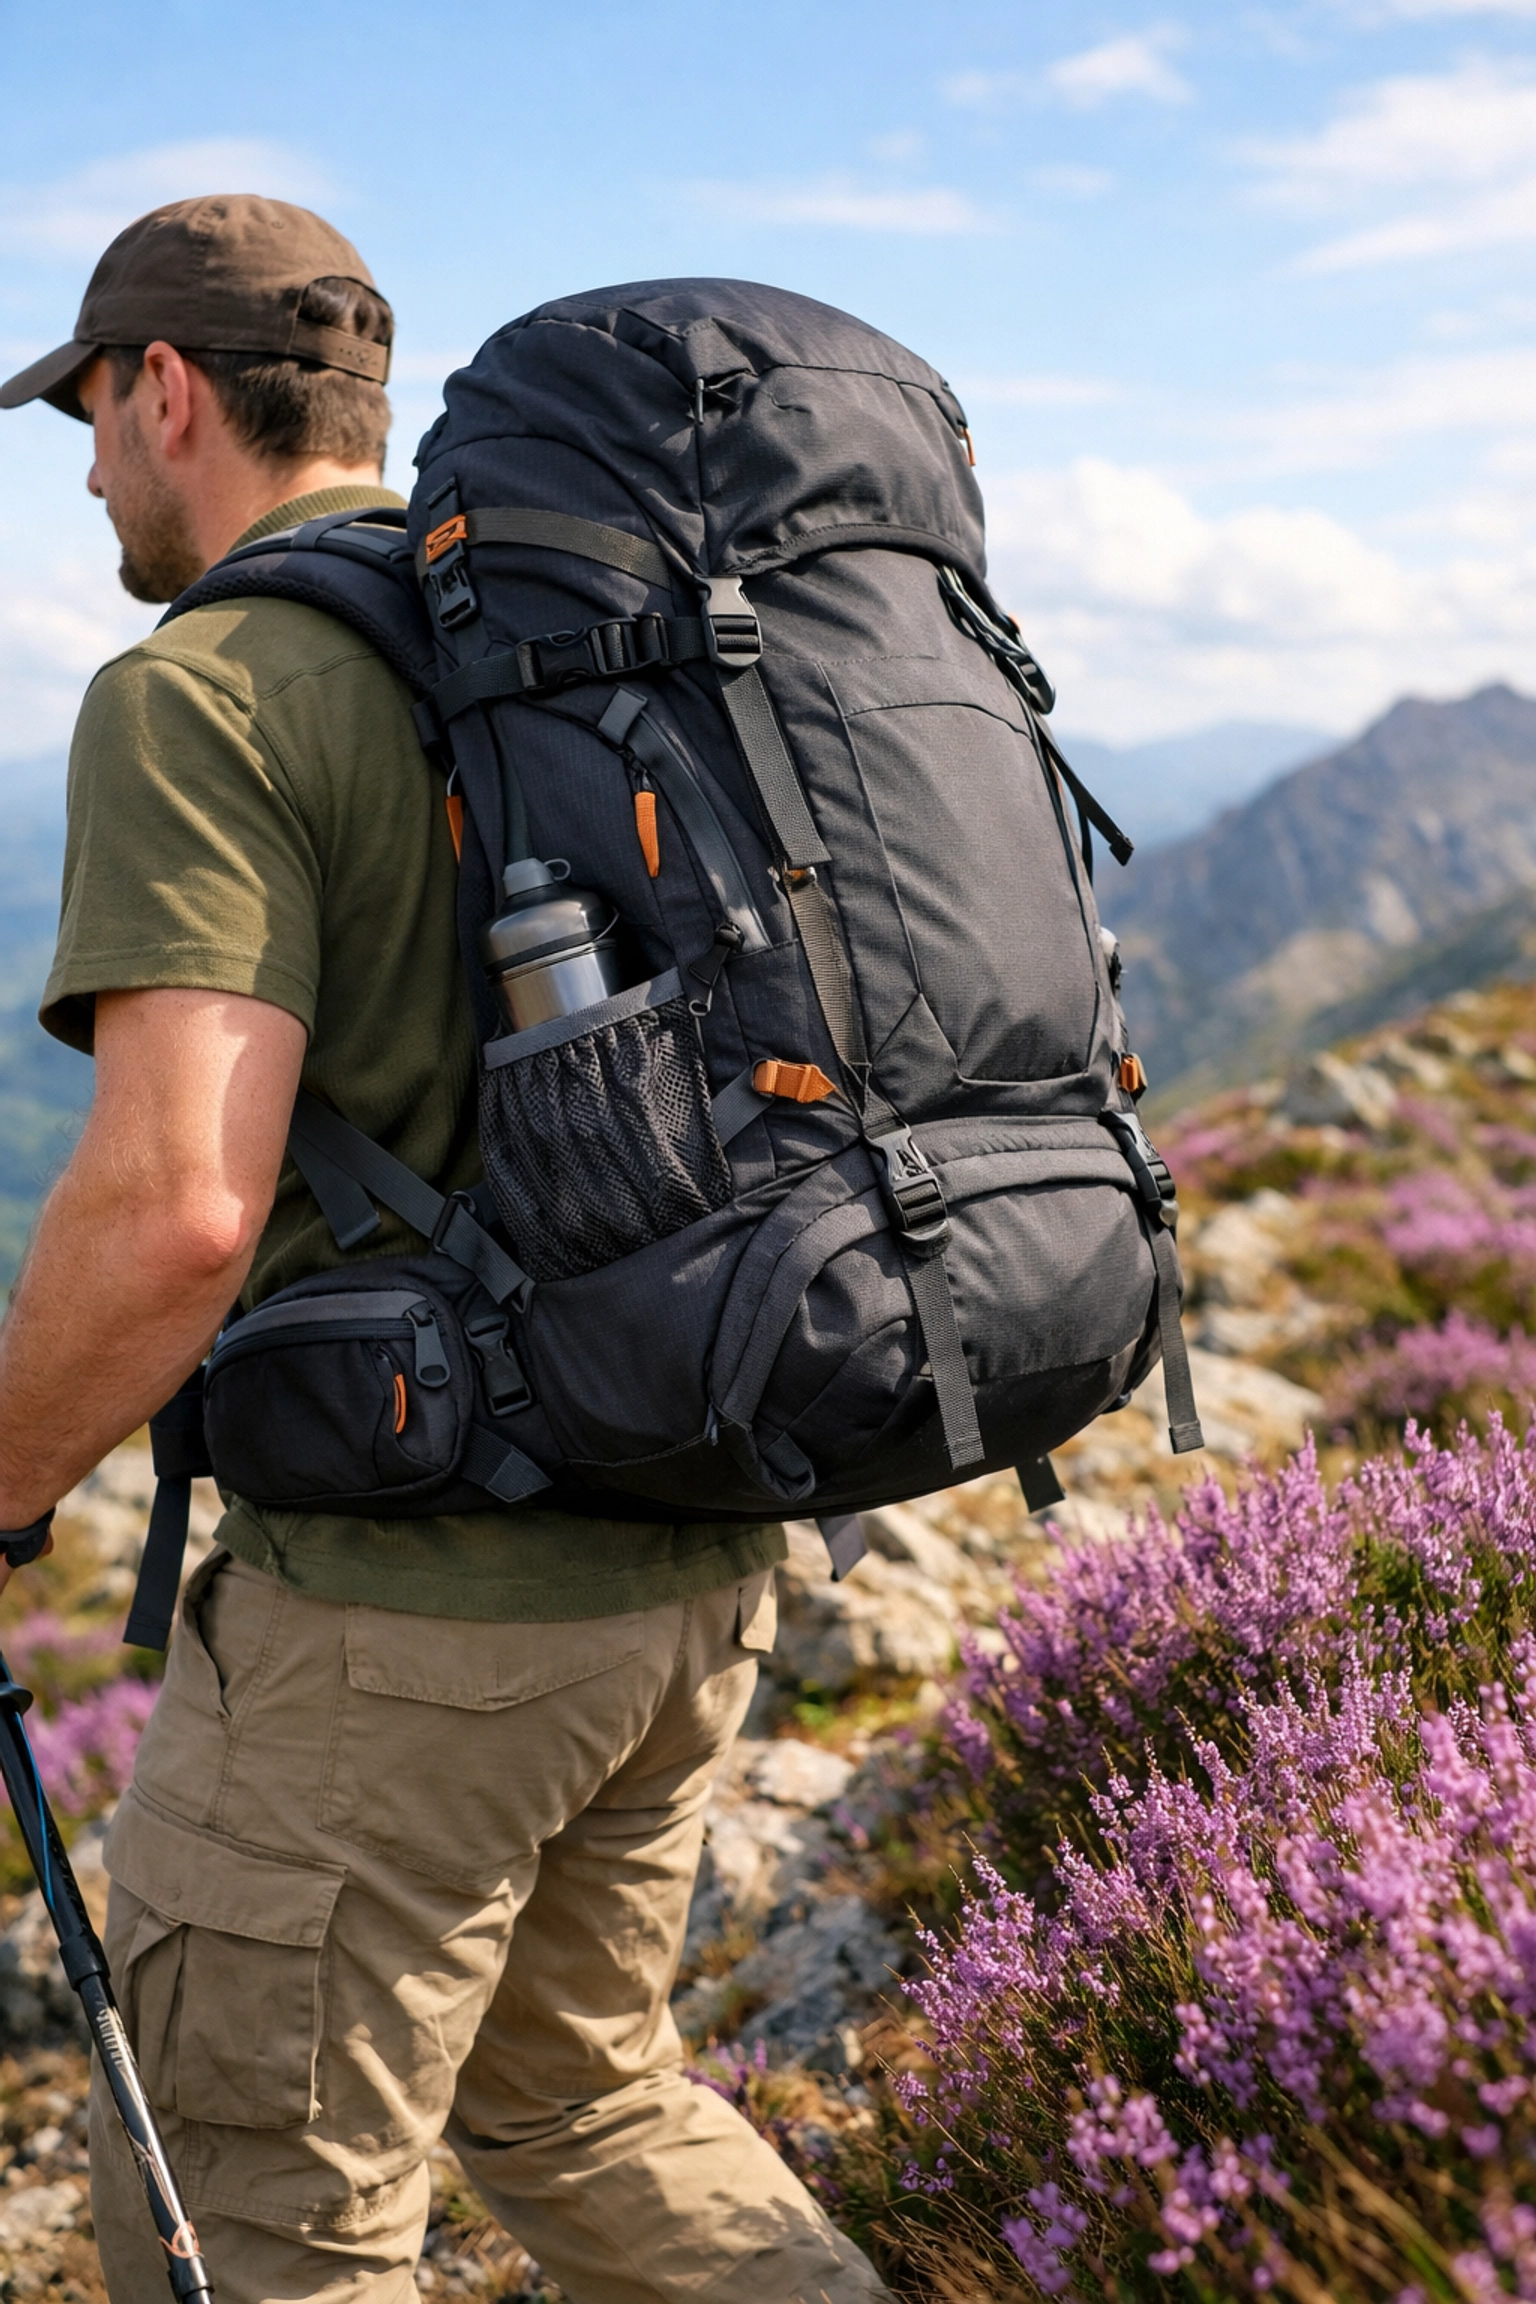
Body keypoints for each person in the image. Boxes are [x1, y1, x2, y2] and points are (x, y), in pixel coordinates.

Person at [0, 194, 890, 2304]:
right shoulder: (571, 637)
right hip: (686, 1541)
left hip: (397, 1631)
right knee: (579, 2101)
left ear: (166, 388)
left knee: (262, 2224)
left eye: (91, 418)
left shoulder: (207, 692)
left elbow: (177, 1210)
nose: (91, 467)